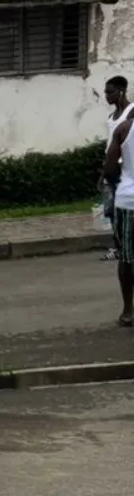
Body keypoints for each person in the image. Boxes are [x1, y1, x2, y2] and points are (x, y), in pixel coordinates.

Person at [102, 85, 134, 325]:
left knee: (127, 257)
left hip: (128, 201)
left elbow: (110, 168)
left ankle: (128, 311)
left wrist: (119, 181)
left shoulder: (124, 129)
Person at [101, 78, 132, 260]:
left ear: (121, 91)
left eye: (110, 92)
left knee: (124, 210)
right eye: (105, 92)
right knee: (110, 210)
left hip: (125, 170)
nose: (106, 96)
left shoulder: (131, 112)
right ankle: (118, 247)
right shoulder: (111, 117)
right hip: (111, 169)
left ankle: (125, 247)